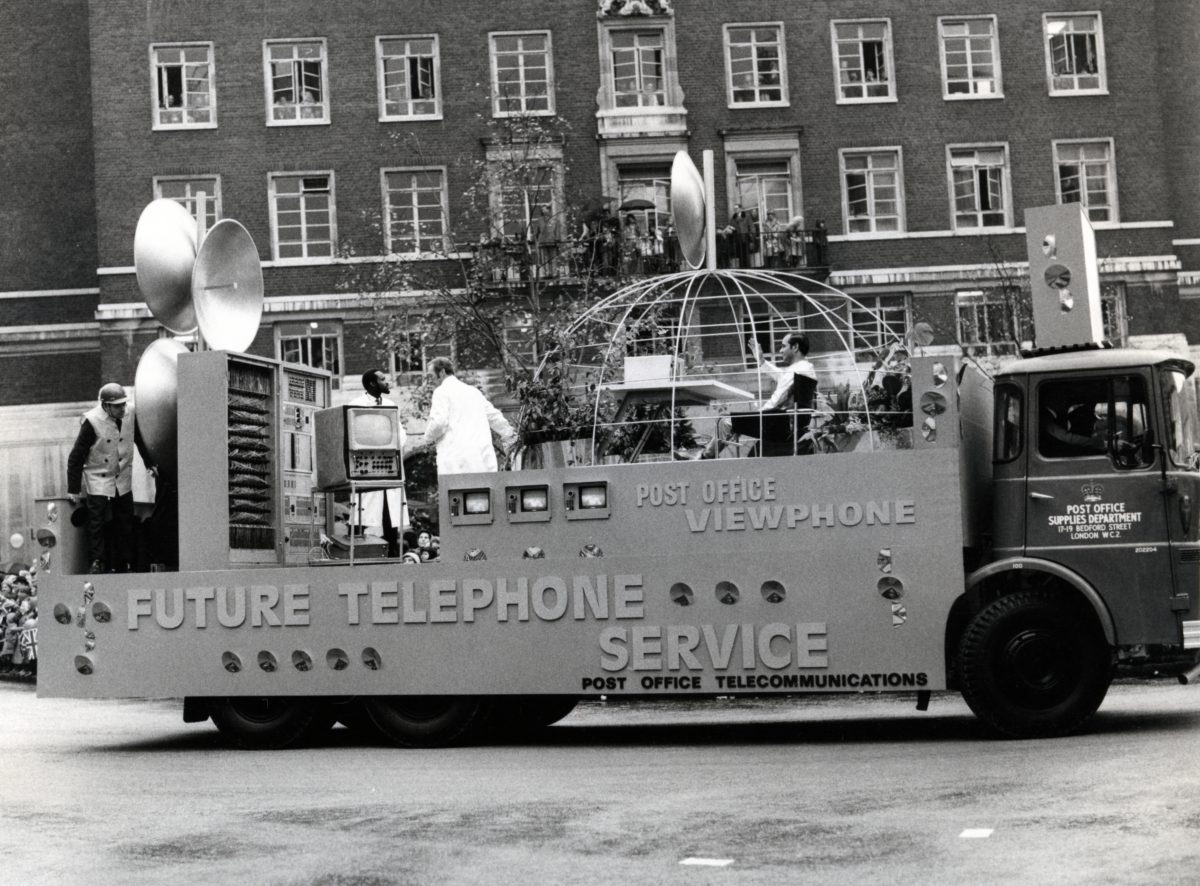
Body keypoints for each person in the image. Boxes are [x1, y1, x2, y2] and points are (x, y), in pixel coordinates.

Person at [701, 333, 818, 458]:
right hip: (785, 421)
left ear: (795, 347)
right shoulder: (804, 368)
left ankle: (704, 458)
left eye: (784, 346)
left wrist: (755, 415)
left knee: (724, 421)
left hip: (777, 422)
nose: (780, 350)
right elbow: (782, 377)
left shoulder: (798, 371)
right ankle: (706, 453)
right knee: (732, 423)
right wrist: (761, 361)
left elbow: (779, 400)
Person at [66, 383, 142, 574]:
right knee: (96, 522)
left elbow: (139, 438)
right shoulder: (92, 421)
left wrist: (151, 463)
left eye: (124, 404)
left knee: (125, 520)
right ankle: (97, 561)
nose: (122, 409)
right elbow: (76, 456)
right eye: (117, 406)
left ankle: (125, 561)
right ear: (106, 406)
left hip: (121, 474)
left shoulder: (130, 414)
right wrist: (73, 488)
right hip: (98, 475)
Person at [419, 357, 517, 474]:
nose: (430, 380)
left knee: (456, 492)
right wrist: (511, 435)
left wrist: (427, 439)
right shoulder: (473, 392)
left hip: (455, 463)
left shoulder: (441, 392)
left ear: (442, 372)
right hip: (482, 461)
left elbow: (439, 423)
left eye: (431, 375)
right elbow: (494, 417)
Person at [349, 369, 407, 558]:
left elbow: (400, 433)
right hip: (366, 467)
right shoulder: (356, 405)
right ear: (372, 384)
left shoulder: (391, 405)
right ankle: (357, 554)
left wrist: (395, 444)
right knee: (363, 512)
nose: (387, 381)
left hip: (389, 464)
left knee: (390, 514)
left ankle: (392, 556)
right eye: (383, 379)